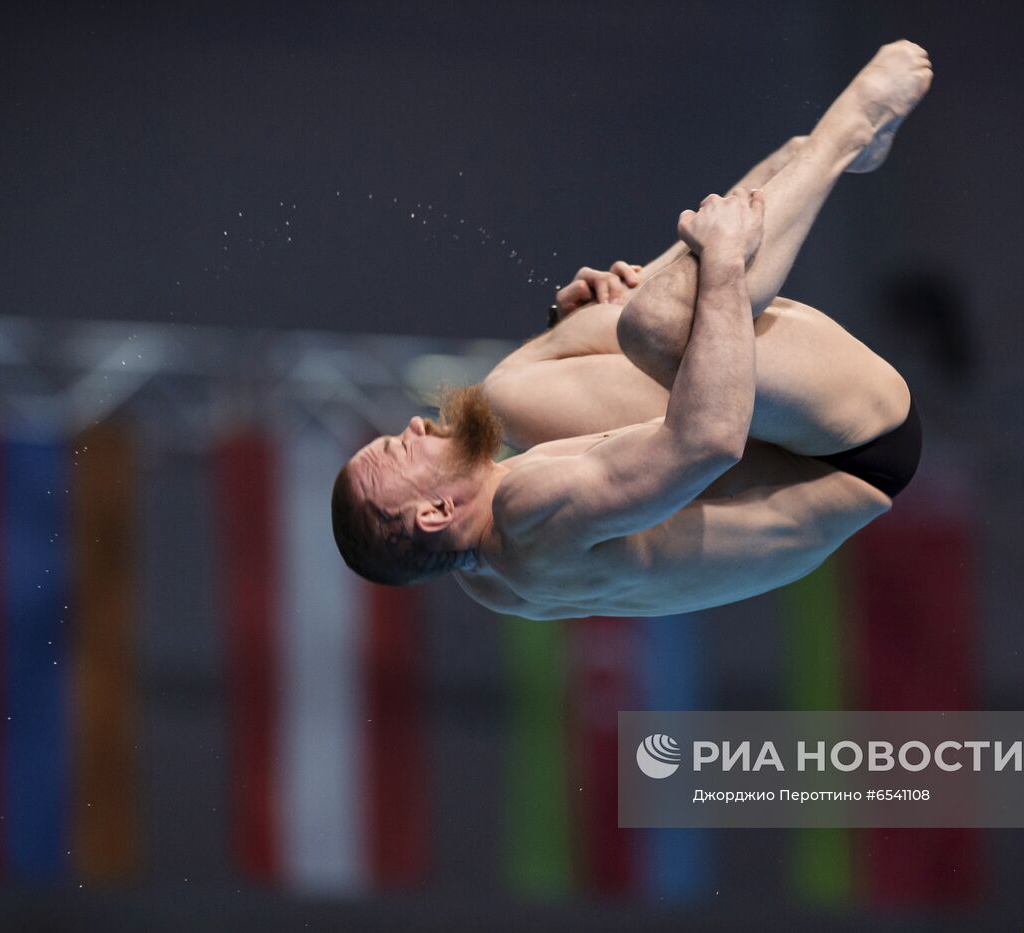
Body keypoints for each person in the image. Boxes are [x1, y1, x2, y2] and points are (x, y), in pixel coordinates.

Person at [332, 41, 932, 619]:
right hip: (850, 451)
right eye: (398, 449)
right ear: (435, 513)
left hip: (776, 461)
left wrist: (582, 328)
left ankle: (771, 183)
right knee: (658, 324)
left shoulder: (487, 579)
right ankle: (845, 135)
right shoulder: (526, 514)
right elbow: (709, 442)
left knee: (511, 389)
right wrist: (719, 260)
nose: (410, 425)